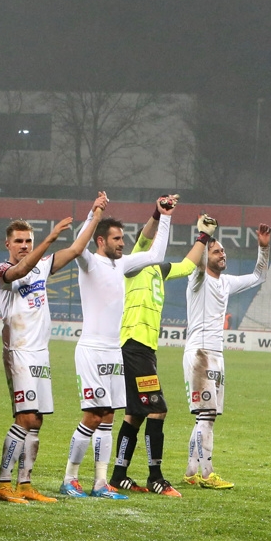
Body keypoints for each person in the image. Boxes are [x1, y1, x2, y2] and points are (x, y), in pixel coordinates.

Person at [60, 195, 175, 500]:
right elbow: (77, 245)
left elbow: (157, 252)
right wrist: (94, 213)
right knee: (93, 415)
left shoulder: (124, 264)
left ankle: (100, 483)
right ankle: (70, 477)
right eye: (116, 238)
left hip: (115, 350)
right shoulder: (89, 261)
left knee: (109, 416)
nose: (122, 243)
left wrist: (164, 216)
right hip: (92, 349)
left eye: (123, 238)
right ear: (101, 241)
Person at [0, 197, 105, 503]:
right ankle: (3, 484)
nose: (25, 246)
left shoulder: (42, 265)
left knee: (36, 420)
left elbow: (78, 248)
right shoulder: (1, 270)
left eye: (28, 240)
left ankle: (25, 484)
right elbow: (21, 271)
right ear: (7, 244)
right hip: (19, 352)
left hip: (41, 353)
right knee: (25, 417)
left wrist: (95, 215)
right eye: (19, 241)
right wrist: (50, 238)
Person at [108, 205, 217, 497]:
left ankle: (119, 474)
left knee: (135, 414)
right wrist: (158, 215)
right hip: (134, 345)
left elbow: (188, 264)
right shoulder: (132, 265)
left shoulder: (160, 270)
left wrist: (203, 237)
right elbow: (145, 238)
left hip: (145, 350)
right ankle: (156, 477)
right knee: (158, 409)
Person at [183, 223, 271, 489]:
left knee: (206, 417)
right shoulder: (197, 278)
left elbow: (259, 276)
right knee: (206, 415)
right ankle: (207, 475)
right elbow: (197, 261)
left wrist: (263, 248)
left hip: (216, 355)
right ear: (205, 256)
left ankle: (191, 471)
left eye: (223, 252)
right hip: (200, 352)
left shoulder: (226, 282)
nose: (223, 255)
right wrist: (204, 236)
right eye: (216, 251)